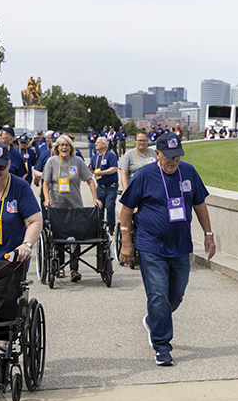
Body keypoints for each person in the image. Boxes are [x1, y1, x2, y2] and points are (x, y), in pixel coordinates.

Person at [119, 133, 215, 366]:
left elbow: (199, 204)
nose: (174, 161)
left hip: (180, 246)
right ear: (157, 154)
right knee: (159, 295)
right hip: (151, 245)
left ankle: (154, 320)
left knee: (176, 295)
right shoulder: (144, 175)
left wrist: (208, 234)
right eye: (169, 157)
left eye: (178, 156)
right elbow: (126, 209)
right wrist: (126, 242)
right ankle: (162, 345)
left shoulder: (189, 172)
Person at [0, 142, 43, 367]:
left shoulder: (19, 187)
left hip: (10, 259)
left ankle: (0, 347)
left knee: (5, 303)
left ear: (8, 166)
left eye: (0, 167)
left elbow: (35, 221)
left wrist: (26, 244)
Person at [41, 134, 100, 282]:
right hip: (57, 206)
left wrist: (95, 198)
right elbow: (46, 183)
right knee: (59, 238)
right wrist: (47, 199)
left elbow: (90, 181)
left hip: (75, 205)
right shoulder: (51, 162)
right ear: (56, 148)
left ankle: (74, 269)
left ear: (71, 148)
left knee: (76, 237)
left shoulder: (78, 161)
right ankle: (60, 267)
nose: (64, 147)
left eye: (67, 145)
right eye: (61, 145)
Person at [91, 136, 119, 234]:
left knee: (110, 206)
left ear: (104, 144)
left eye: (98, 142)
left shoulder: (110, 155)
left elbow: (114, 168)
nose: (96, 144)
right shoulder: (95, 157)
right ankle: (99, 226)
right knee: (99, 207)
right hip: (100, 186)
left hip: (111, 186)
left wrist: (102, 173)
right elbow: (90, 168)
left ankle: (111, 225)